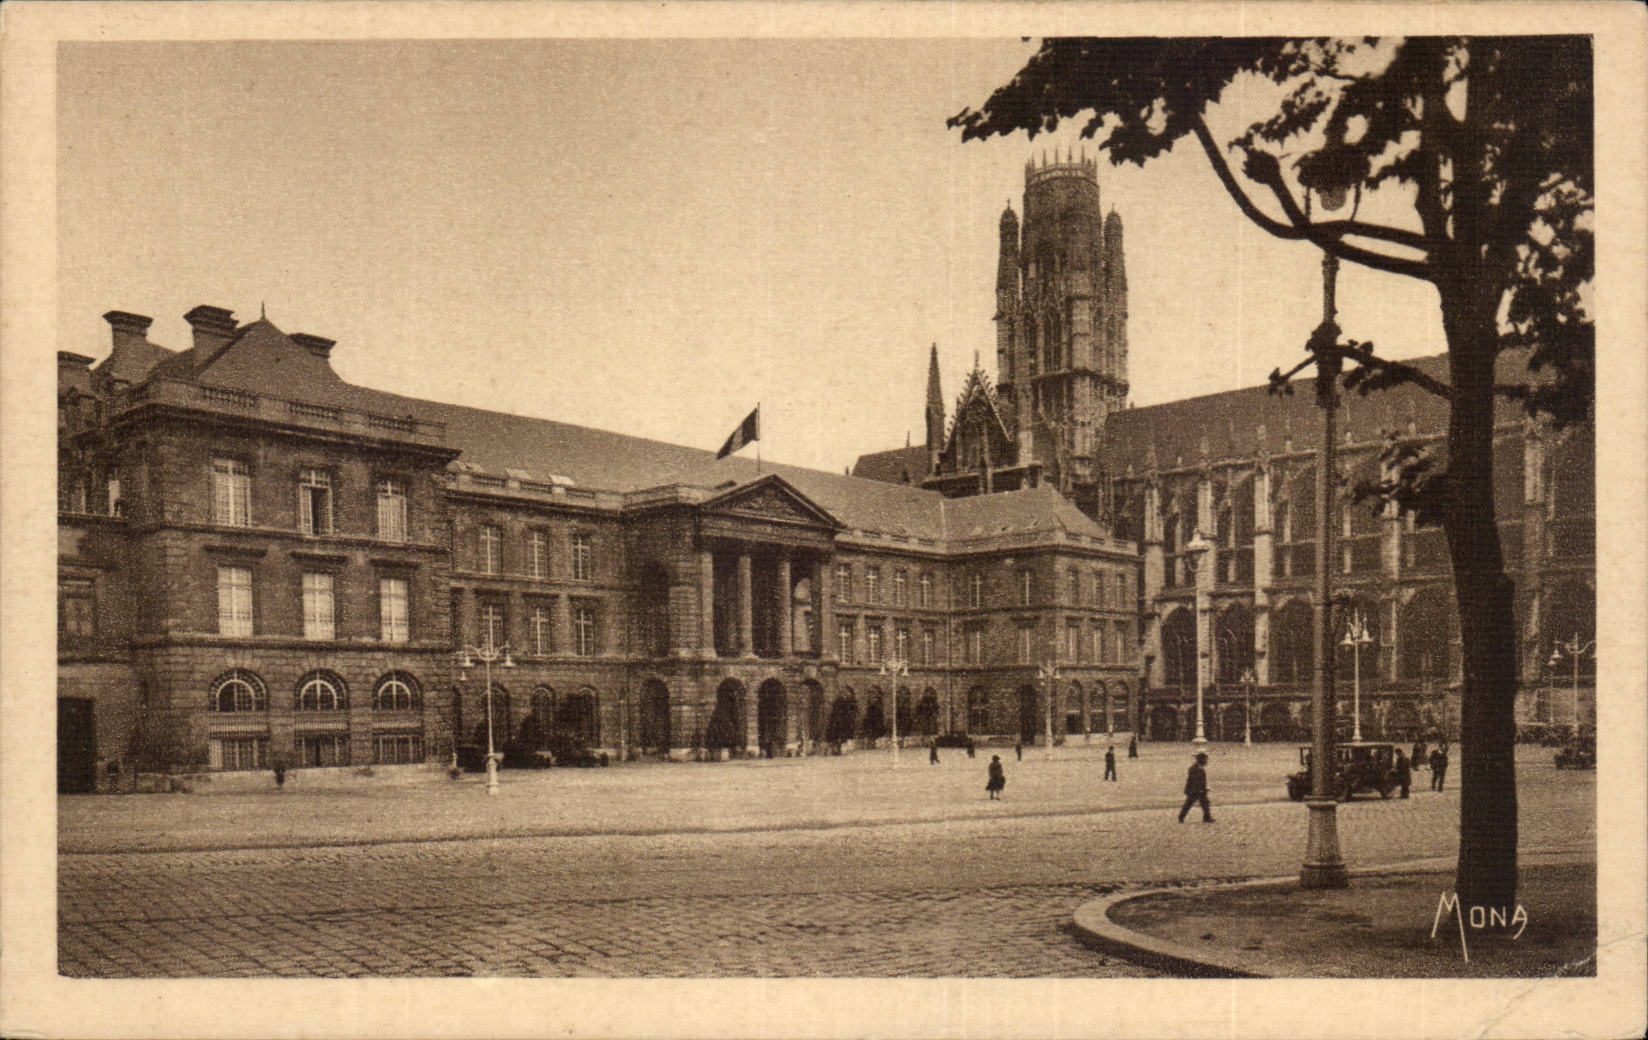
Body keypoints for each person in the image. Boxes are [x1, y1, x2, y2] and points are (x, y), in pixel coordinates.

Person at [1178, 752, 1214, 823]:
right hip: (1194, 790)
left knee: (1204, 803)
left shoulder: (1198, 768)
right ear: (1201, 759)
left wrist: (1204, 788)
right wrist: (1200, 789)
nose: (1206, 761)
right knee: (1189, 804)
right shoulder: (1194, 768)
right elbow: (1195, 781)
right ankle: (1181, 817)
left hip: (1199, 790)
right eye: (1205, 759)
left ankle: (1207, 818)